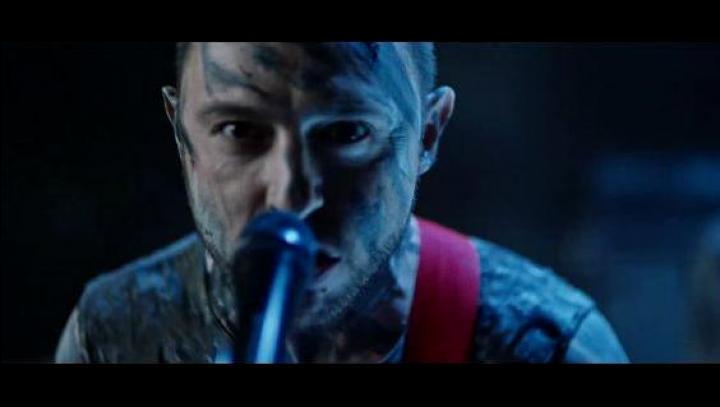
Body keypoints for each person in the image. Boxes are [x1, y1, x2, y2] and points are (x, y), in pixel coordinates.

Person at [55, 42, 628, 363]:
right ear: (181, 134)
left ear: (428, 135)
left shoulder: (545, 347)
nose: (290, 198)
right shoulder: (112, 335)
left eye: (346, 133)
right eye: (239, 130)